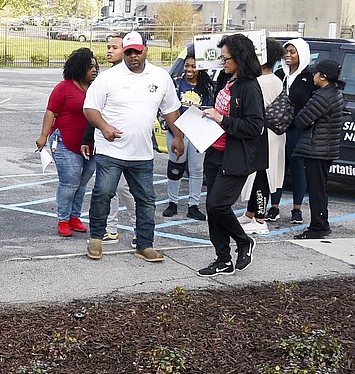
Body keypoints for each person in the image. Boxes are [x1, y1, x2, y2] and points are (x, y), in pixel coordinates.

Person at [83, 31, 184, 263]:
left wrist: (178, 137)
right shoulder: (108, 78)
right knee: (103, 194)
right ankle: (96, 239)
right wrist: (104, 127)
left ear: (145, 50)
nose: (133, 56)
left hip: (142, 153)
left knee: (146, 199)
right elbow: (90, 108)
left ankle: (145, 244)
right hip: (111, 150)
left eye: (137, 51)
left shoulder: (160, 77)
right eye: (128, 52)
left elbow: (170, 110)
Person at [198, 34, 266, 277]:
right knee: (212, 207)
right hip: (215, 152)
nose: (222, 62)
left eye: (226, 58)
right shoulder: (227, 81)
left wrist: (222, 119)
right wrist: (209, 115)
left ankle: (244, 241)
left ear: (239, 58)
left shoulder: (249, 87)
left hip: (235, 156)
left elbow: (254, 126)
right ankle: (223, 259)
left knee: (219, 204)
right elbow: (223, 112)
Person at [37, 48, 99, 237]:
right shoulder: (64, 88)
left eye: (96, 67)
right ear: (79, 68)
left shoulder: (97, 88)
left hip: (90, 145)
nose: (95, 71)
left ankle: (74, 217)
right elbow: (51, 112)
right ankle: (63, 219)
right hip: (64, 142)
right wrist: (43, 136)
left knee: (81, 184)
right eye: (90, 67)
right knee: (69, 183)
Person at [238, 38, 287, 235]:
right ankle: (250, 214)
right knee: (258, 174)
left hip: (263, 136)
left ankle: (260, 219)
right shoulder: (275, 79)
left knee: (260, 175)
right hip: (272, 135)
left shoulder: (259, 82)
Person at [292, 60, 345, 239]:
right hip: (325, 148)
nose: (313, 76)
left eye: (316, 73)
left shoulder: (323, 96)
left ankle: (318, 227)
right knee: (320, 188)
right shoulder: (334, 93)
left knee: (316, 190)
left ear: (323, 76)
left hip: (317, 149)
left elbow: (301, 120)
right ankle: (321, 224)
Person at [162, 44, 214, 221]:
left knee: (197, 169)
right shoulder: (175, 83)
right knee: (175, 167)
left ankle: (194, 205)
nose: (190, 70)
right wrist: (171, 128)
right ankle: (172, 203)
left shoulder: (207, 87)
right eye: (187, 66)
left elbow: (211, 108)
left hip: (197, 133)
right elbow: (165, 106)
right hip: (176, 132)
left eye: (193, 66)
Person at [266, 38, 315, 224]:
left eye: (292, 52)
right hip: (278, 129)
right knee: (277, 167)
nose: (288, 55)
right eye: (286, 51)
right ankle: (274, 207)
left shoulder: (309, 77)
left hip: (298, 130)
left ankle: (297, 209)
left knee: (297, 169)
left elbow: (312, 104)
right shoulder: (279, 74)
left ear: (301, 54)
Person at [93, 34, 136, 246]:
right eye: (108, 47)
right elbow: (93, 110)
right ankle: (110, 229)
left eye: (115, 47)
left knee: (127, 189)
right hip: (107, 144)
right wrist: (88, 138)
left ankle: (140, 227)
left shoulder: (138, 77)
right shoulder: (106, 78)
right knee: (107, 189)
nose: (109, 51)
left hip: (131, 145)